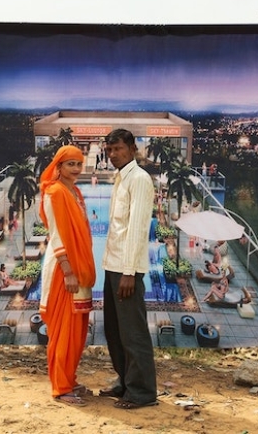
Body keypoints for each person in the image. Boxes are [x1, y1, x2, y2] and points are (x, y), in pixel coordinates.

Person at [99, 129, 158, 410]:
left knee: (133, 332)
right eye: (109, 150)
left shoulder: (139, 180)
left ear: (132, 148)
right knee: (114, 330)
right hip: (113, 265)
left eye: (118, 149)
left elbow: (137, 229)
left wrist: (129, 272)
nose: (113, 155)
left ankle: (142, 392)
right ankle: (125, 381)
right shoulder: (120, 178)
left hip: (126, 269)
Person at [38, 145, 96, 407]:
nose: (75, 169)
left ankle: (70, 380)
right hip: (64, 271)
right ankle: (60, 388)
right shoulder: (54, 192)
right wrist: (68, 270)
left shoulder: (76, 192)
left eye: (78, 164)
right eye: (70, 164)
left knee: (78, 330)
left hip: (80, 269)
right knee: (63, 329)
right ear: (58, 166)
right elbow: (57, 233)